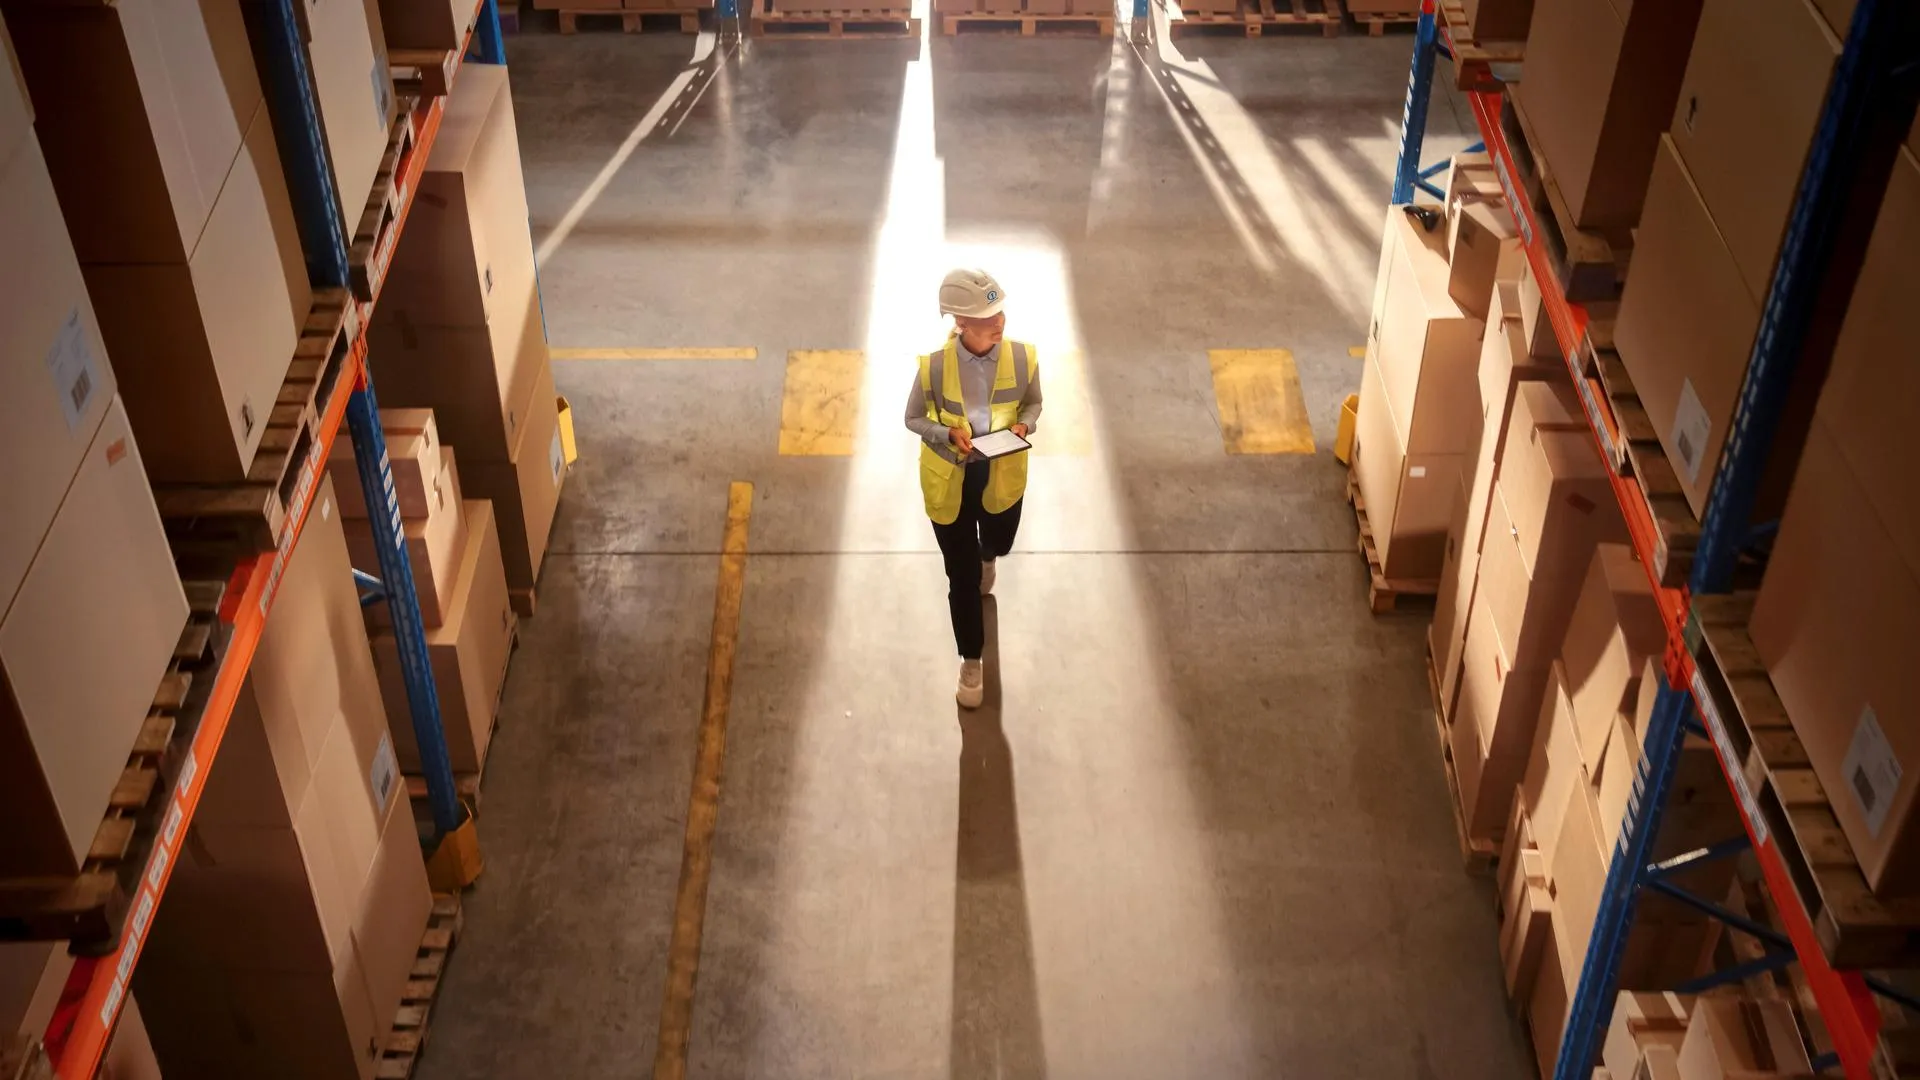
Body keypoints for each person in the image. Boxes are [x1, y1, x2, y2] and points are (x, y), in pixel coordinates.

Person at [905, 268, 1043, 709]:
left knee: (998, 541)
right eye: (986, 316)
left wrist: (1026, 424)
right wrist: (944, 435)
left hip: (1000, 472)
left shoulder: (1023, 358)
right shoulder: (935, 367)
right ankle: (970, 659)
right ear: (961, 323)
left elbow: (1034, 402)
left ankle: (988, 555)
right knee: (960, 578)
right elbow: (912, 418)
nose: (998, 322)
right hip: (951, 479)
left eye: (999, 311)